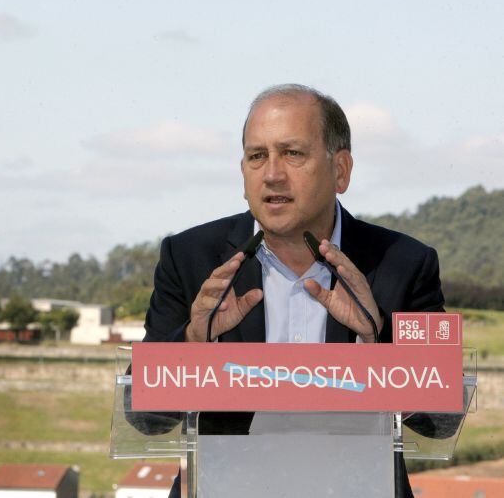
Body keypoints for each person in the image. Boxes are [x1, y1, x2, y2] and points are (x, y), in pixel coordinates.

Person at [142, 84, 444, 497]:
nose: (272, 173)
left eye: (293, 153)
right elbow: (145, 419)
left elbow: (438, 423)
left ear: (340, 170)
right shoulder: (191, 257)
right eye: (257, 156)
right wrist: (193, 343)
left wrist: (377, 342)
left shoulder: (403, 262)